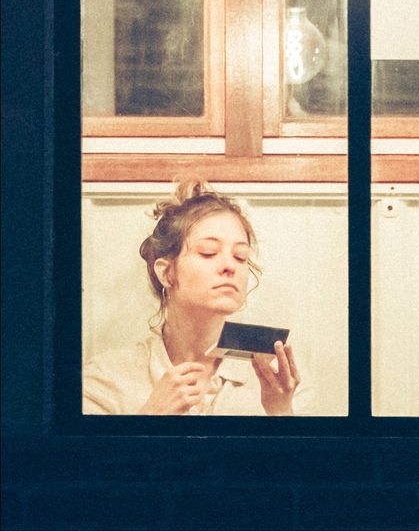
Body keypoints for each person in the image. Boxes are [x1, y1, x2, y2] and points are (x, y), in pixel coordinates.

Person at [81, 178, 309, 415]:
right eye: (208, 253)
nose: (229, 266)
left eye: (240, 256)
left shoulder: (283, 380)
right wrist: (151, 416)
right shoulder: (106, 380)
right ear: (166, 273)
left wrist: (281, 411)